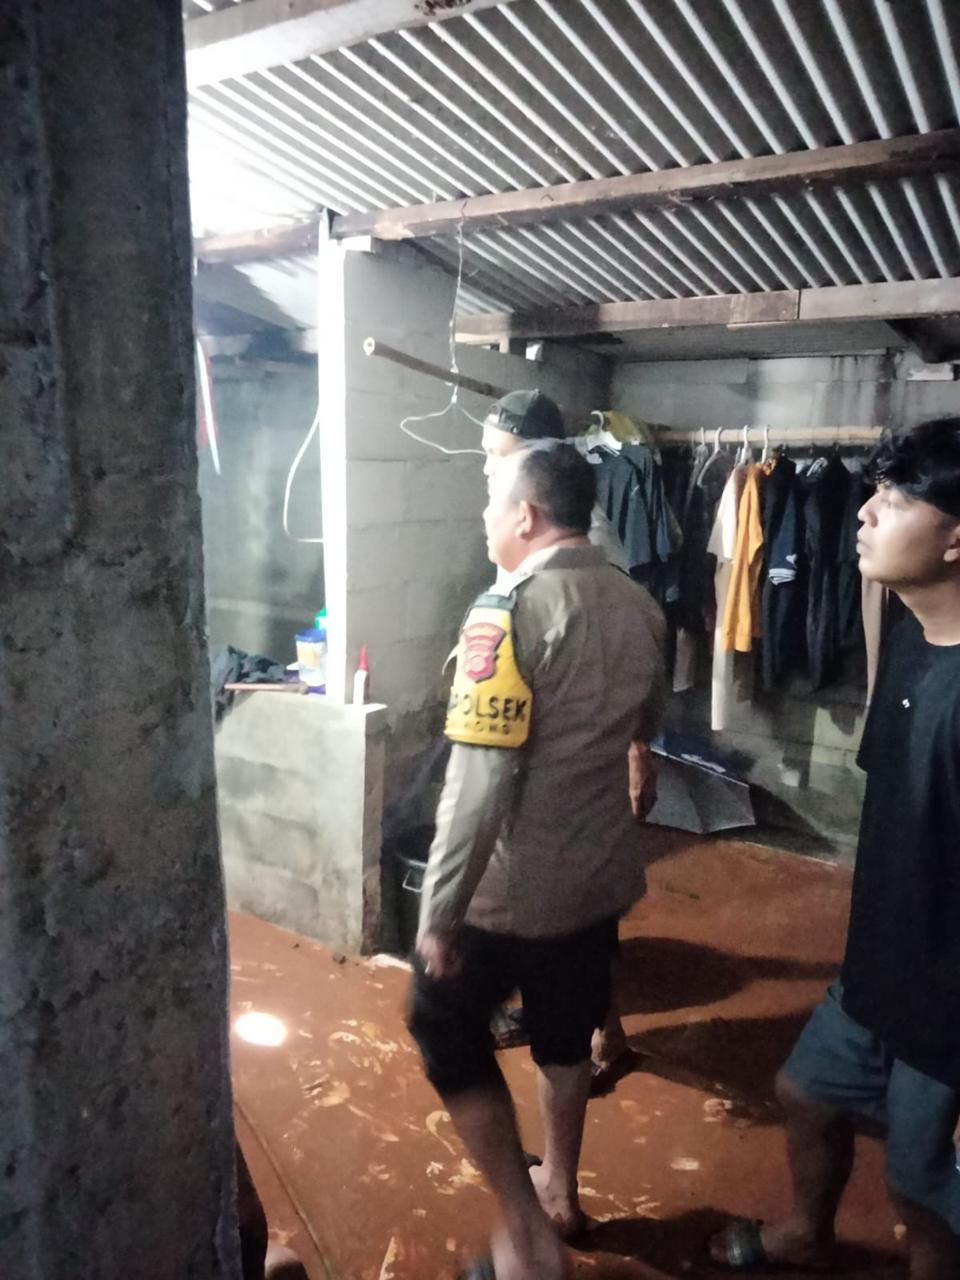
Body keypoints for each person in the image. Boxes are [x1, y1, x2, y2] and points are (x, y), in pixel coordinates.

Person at [408, 442, 666, 1280]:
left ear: (526, 515)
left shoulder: (508, 613)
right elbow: (646, 723)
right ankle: (561, 1188)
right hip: (599, 877)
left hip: (512, 891)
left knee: (439, 1022)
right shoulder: (639, 605)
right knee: (564, 1034)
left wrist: (439, 913)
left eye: (492, 502)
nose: (484, 519)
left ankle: (526, 1231)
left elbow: (477, 787)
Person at [710, 418, 960, 1278]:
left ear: (956, 538)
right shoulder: (913, 635)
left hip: (950, 1003)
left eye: (896, 499)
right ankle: (807, 1232)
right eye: (874, 492)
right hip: (880, 966)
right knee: (806, 1091)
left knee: (923, 1191)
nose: (864, 512)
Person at [480, 390, 658, 1087]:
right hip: (542, 748)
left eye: (497, 456)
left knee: (580, 908)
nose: (487, 470)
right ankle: (558, 1015)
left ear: (537, 459)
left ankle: (604, 1036)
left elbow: (627, 649)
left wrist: (638, 753)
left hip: (577, 757)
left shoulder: (590, 541)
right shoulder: (519, 523)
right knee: (554, 902)